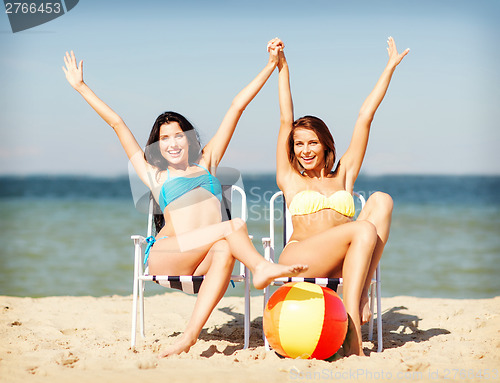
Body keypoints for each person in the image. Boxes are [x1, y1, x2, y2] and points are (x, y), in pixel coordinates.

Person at [62, 39, 307, 358]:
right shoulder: (155, 174)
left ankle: (189, 337)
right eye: (165, 138)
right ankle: (262, 267)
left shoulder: (208, 162)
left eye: (179, 135)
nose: (172, 143)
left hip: (201, 256)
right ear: (157, 145)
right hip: (169, 253)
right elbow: (117, 123)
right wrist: (81, 86)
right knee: (232, 227)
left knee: (225, 247)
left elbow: (236, 107)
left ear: (190, 138)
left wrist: (271, 66)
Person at [273, 37, 409, 356]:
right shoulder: (290, 178)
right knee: (362, 229)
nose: (305, 150)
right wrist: (283, 67)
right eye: (298, 144)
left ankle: (359, 296)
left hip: (341, 262)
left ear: (325, 145)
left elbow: (365, 117)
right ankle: (353, 334)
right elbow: (284, 118)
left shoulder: (343, 174)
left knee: (382, 201)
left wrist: (389, 68)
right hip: (300, 260)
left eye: (312, 143)